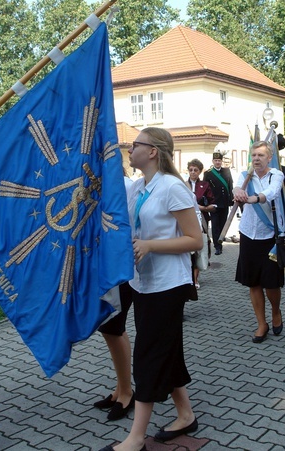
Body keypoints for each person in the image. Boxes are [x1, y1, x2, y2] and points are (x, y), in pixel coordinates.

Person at [100, 127, 202, 451]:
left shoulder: (173, 187)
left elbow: (195, 240)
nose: (130, 148)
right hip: (142, 284)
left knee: (147, 357)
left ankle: (136, 438)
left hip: (168, 286)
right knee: (166, 353)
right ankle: (185, 415)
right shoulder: (139, 187)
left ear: (153, 151)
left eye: (136, 144)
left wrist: (151, 245)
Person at [93, 170, 136, 422]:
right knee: (109, 329)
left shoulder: (126, 186)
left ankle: (127, 392)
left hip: (119, 268)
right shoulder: (102, 185)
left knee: (114, 328)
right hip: (103, 267)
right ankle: (121, 387)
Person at [232, 141, 285, 343]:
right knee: (253, 282)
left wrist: (254, 198)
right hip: (248, 235)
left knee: (271, 283)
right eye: (254, 155)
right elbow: (236, 188)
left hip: (271, 235)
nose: (256, 159)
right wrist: (237, 191)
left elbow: (272, 192)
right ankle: (261, 323)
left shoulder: (276, 175)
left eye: (260, 155)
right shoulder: (246, 175)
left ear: (269, 157)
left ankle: (276, 311)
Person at [186, 159, 215, 288]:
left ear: (200, 171)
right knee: (187, 248)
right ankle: (187, 278)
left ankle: (195, 279)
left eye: (195, 170)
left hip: (201, 219)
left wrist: (202, 208)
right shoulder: (182, 184)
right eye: (191, 169)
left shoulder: (205, 185)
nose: (193, 172)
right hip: (186, 219)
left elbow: (213, 204)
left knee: (199, 246)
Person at [203, 152, 233, 255]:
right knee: (215, 225)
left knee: (223, 224)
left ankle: (220, 239)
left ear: (221, 161)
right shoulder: (208, 173)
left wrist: (231, 199)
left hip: (224, 203)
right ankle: (217, 246)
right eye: (215, 161)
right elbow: (205, 189)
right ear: (213, 161)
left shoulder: (227, 171)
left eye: (219, 161)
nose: (217, 162)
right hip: (214, 203)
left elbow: (230, 185)